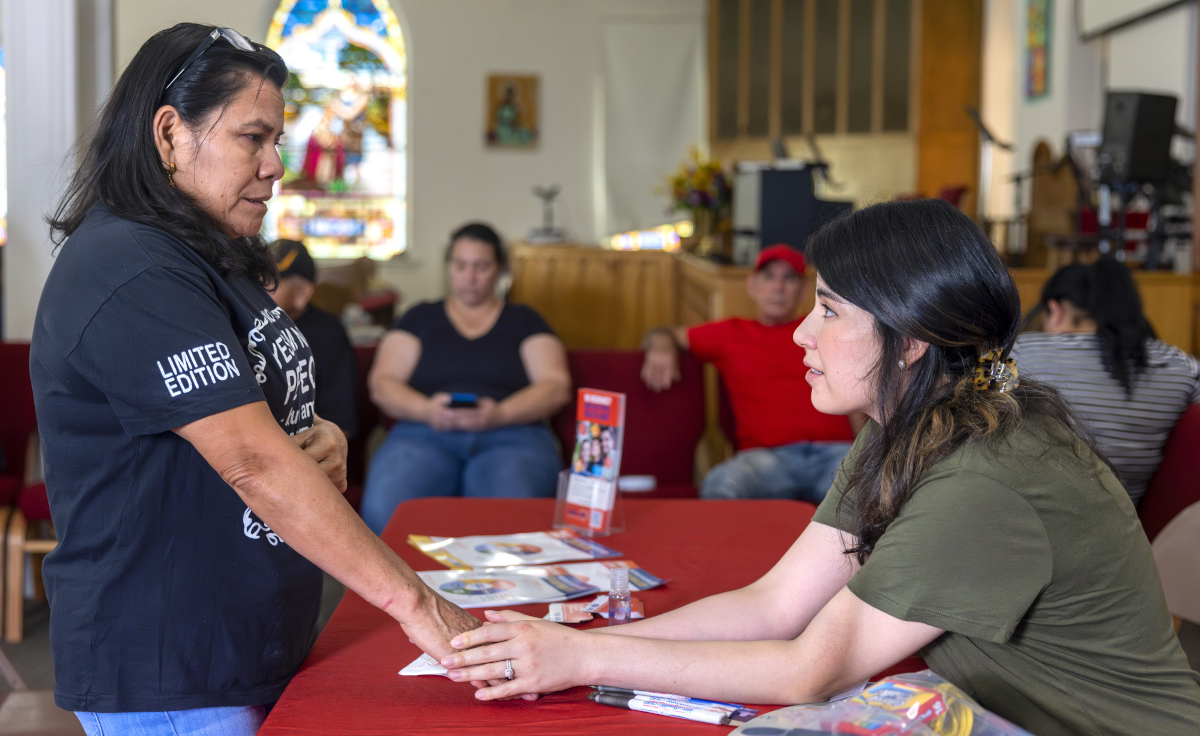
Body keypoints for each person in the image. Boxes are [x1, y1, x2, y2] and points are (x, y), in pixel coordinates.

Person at [440, 199, 1200, 735]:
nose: (802, 332)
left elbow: (812, 668)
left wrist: (579, 653)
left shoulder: (988, 475)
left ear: (910, 341)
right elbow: (775, 603)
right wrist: (582, 648)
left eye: (831, 310)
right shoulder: (907, 422)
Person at [30, 23, 484, 736]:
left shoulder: (210, 248)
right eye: (253, 137)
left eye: (279, 139)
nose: (278, 164)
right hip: (174, 666)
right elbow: (250, 458)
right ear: (171, 132)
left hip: (245, 638)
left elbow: (252, 406)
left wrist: (321, 432)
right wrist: (417, 605)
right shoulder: (131, 266)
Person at [361, 223, 571, 534]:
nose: (469, 277)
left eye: (481, 267)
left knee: (512, 517)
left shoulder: (524, 320)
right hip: (423, 432)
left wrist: (501, 414)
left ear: (500, 270)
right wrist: (427, 410)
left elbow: (556, 386)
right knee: (385, 504)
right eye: (460, 265)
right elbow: (383, 383)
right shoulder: (419, 317)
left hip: (514, 435)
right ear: (449, 267)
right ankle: (394, 585)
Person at [641, 244, 857, 502]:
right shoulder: (730, 333)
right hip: (766, 460)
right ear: (752, 285)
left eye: (789, 278)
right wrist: (661, 345)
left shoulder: (823, 331)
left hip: (835, 455)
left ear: (802, 291)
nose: (778, 287)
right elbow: (662, 333)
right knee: (720, 484)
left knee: (871, 492)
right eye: (769, 277)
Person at [1013, 259, 1200, 506]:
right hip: (1129, 529)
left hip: (1031, 522)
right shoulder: (1180, 365)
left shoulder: (1020, 353)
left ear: (1055, 310)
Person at [269, 238, 359, 438]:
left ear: (303, 292)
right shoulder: (236, 324)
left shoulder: (328, 333)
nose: (256, 287)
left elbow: (340, 421)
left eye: (270, 280)